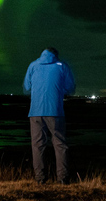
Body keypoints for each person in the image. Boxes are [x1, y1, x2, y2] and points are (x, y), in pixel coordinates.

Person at [23, 47, 76, 184]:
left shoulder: (33, 65)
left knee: (37, 145)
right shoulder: (62, 66)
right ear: (56, 55)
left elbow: (26, 88)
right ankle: (63, 179)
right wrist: (59, 91)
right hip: (55, 111)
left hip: (35, 112)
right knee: (60, 144)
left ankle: (40, 179)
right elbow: (71, 88)